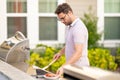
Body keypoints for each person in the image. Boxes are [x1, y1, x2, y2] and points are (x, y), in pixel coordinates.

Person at [54, 3, 89, 76]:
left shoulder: (78, 28)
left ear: (70, 13)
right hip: (71, 67)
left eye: (63, 18)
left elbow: (79, 53)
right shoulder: (69, 26)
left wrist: (63, 67)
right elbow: (70, 44)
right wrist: (60, 53)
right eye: (60, 19)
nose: (62, 21)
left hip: (80, 69)